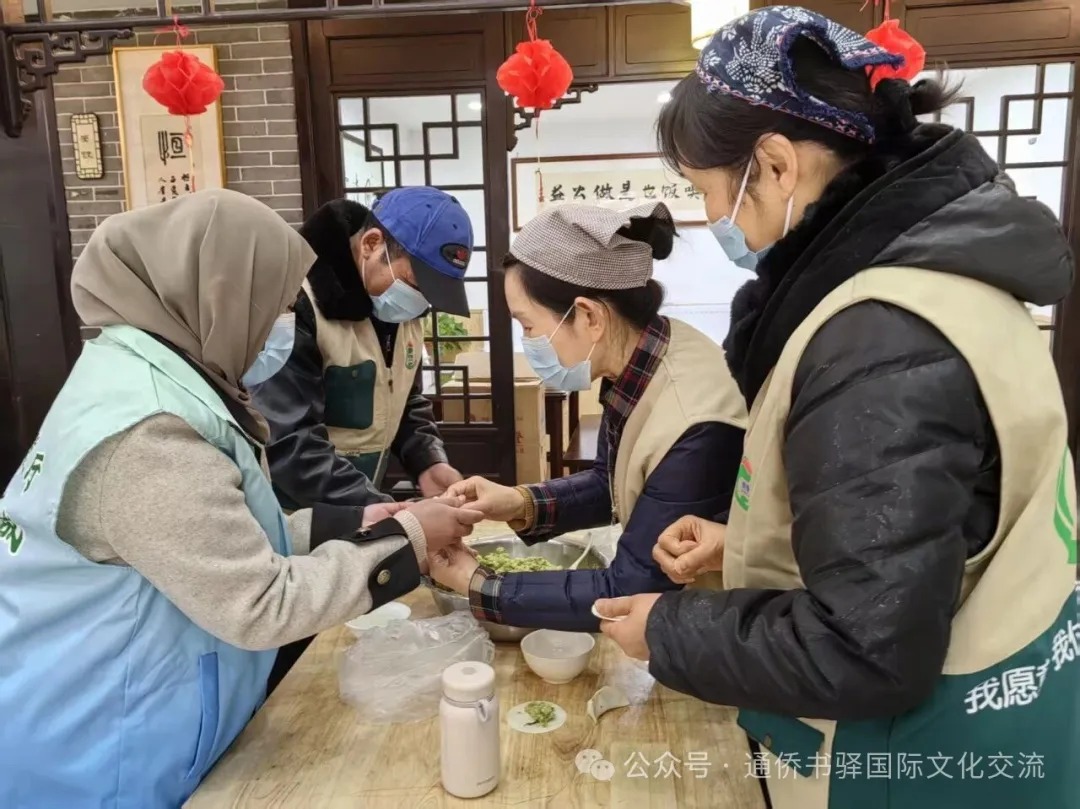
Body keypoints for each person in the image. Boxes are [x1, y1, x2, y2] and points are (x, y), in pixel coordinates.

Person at [595, 8, 1079, 809]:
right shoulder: (947, 274)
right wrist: (753, 540)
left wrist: (668, 630)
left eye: (708, 190)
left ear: (776, 166)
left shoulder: (877, 335)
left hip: (918, 767)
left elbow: (868, 649)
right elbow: (927, 532)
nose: (714, 218)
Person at [0, 189, 481, 809]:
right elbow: (259, 601)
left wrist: (360, 518)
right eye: (276, 306)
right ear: (218, 296)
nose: (279, 325)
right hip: (100, 744)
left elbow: (221, 537)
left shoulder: (144, 379)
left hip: (124, 698)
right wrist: (409, 539)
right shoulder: (150, 432)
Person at [429, 202, 747, 632]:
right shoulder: (642, 353)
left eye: (528, 325)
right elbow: (610, 481)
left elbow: (629, 587)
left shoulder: (694, 420)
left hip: (710, 626)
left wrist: (477, 583)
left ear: (589, 316)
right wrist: (517, 502)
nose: (529, 343)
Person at [250, 187, 473, 511]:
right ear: (371, 244)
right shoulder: (295, 305)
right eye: (416, 285)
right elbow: (288, 442)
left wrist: (428, 461)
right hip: (292, 515)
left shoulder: (403, 310)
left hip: (360, 505)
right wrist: (388, 511)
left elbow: (402, 397)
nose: (422, 302)